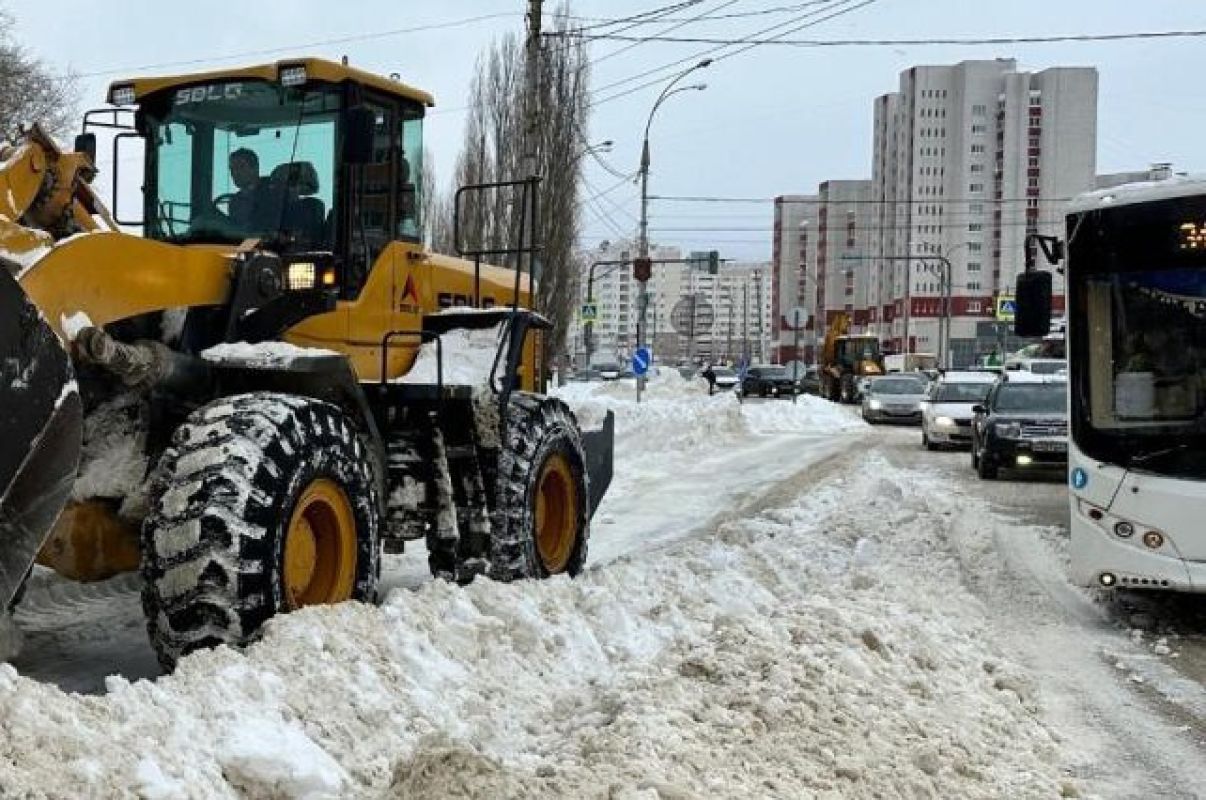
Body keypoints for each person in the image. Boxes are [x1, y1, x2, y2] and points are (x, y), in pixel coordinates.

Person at [227, 148, 266, 228]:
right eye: (232, 169)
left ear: (255, 168)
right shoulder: (235, 201)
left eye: (240, 167)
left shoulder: (273, 193)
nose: (235, 173)